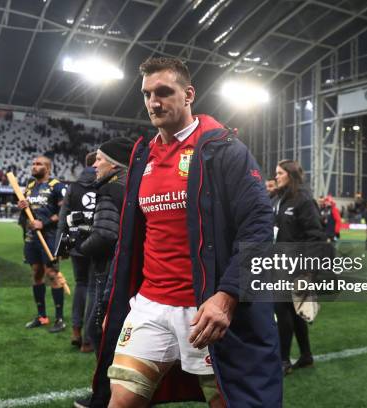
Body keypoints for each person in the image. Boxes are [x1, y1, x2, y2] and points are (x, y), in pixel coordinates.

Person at [83, 57, 282, 408]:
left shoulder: (224, 150)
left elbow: (259, 225)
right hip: (150, 306)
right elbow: (131, 242)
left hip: (204, 310)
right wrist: (113, 305)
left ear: (188, 94)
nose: (154, 102)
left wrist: (228, 295)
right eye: (147, 94)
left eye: (164, 92)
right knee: (121, 401)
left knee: (229, 400)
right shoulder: (143, 157)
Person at [76, 138, 134, 356]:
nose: (94, 164)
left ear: (114, 165)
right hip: (129, 268)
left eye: (99, 159)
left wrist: (82, 246)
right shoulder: (132, 185)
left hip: (110, 267)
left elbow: (105, 235)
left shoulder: (110, 189)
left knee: (98, 329)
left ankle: (107, 386)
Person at [273, 159, 325, 374]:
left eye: (279, 173)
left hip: (296, 266)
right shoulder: (280, 198)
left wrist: (308, 271)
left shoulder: (303, 200)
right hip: (279, 263)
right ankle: (306, 356)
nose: (276, 176)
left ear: (290, 175)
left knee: (282, 310)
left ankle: (283, 361)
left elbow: (315, 236)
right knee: (296, 313)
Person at [17, 156, 68, 333]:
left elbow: (64, 211)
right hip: (32, 238)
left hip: (50, 237)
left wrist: (44, 223)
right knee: (36, 273)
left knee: (52, 274)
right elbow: (26, 215)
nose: (34, 166)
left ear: (47, 167)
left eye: (38, 164)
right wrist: (23, 207)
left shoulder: (57, 185)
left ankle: (60, 319)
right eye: (33, 164)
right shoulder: (30, 186)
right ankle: (42, 316)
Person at [56, 152, 98, 352]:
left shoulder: (72, 187)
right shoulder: (106, 185)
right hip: (97, 243)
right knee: (93, 289)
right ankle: (89, 339)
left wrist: (60, 246)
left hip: (76, 243)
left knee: (80, 285)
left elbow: (64, 218)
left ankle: (75, 331)